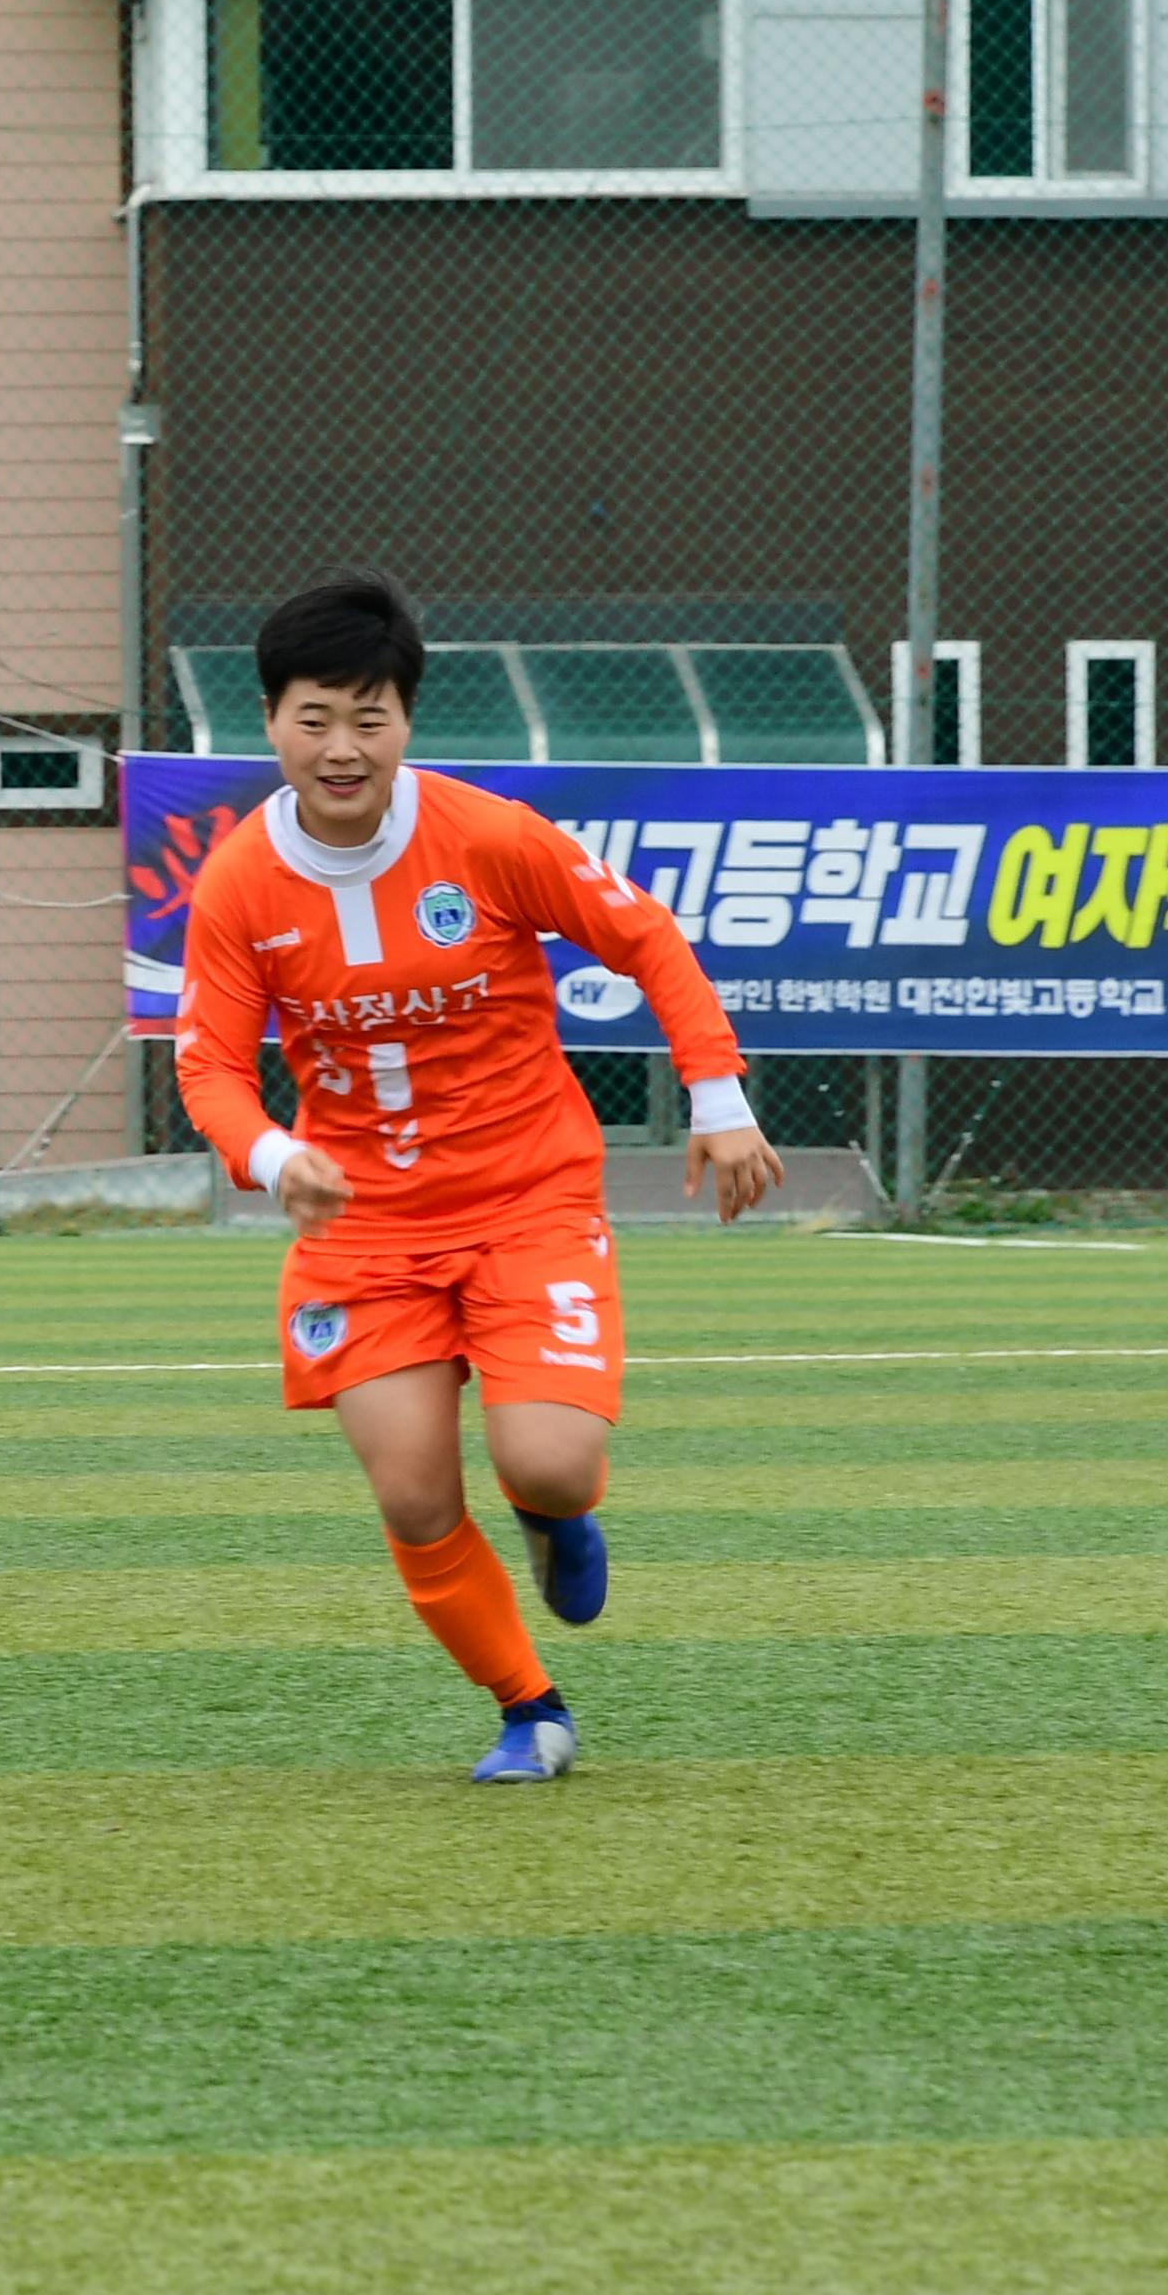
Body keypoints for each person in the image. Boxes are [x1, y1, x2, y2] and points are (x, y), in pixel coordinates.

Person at [172, 572, 783, 1784]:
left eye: (369, 717)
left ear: (407, 718)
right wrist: (275, 1154)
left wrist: (718, 1099)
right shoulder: (238, 882)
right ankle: (530, 1707)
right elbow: (211, 1070)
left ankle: (558, 1515)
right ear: (268, 719)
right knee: (411, 1493)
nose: (341, 749)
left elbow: (647, 938)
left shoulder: (492, 836)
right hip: (364, 1228)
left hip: (527, 1197)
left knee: (544, 1459)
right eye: (314, 718)